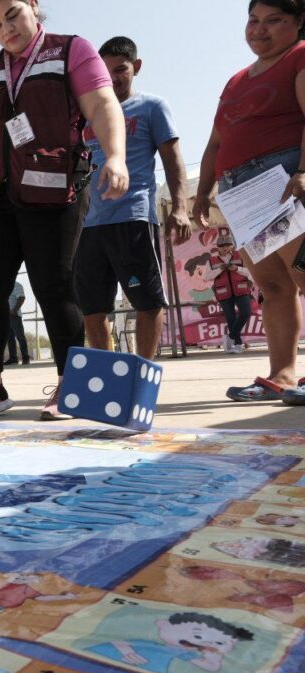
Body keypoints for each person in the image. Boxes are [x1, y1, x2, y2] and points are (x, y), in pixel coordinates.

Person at [0, 0, 128, 422]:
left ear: (32, 5)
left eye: (12, 14)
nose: (6, 29)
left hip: (55, 188)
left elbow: (102, 104)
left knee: (55, 285)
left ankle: (71, 383)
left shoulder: (71, 50)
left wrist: (116, 156)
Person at [193, 0, 305, 406]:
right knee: (272, 286)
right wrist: (204, 191)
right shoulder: (235, 80)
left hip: (283, 181)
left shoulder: (300, 55)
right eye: (253, 20)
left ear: (299, 22)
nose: (260, 29)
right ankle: (282, 375)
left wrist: (304, 172)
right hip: (241, 193)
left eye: (274, 20)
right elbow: (216, 141)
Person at [76, 36, 191, 361]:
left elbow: (173, 159)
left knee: (148, 301)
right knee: (92, 308)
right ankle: (110, 374)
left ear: (136, 67)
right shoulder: (86, 116)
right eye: (105, 70)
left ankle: (141, 373)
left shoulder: (152, 107)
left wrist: (180, 207)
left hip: (133, 218)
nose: (112, 77)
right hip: (88, 226)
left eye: (121, 69)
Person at [211, 233, 256, 354]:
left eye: (227, 245)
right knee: (231, 318)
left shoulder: (240, 255)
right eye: (221, 246)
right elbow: (206, 276)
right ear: (217, 247)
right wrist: (219, 269)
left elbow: (250, 271)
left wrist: (237, 269)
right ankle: (237, 344)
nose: (224, 248)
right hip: (223, 292)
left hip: (241, 289)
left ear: (232, 245)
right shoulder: (212, 259)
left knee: (246, 312)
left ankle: (230, 337)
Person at [4, 280, 30, 366]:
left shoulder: (16, 285)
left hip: (14, 315)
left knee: (20, 337)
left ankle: (25, 357)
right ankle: (13, 358)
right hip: (6, 316)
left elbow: (21, 297)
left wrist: (15, 309)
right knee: (10, 338)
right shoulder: (4, 285)